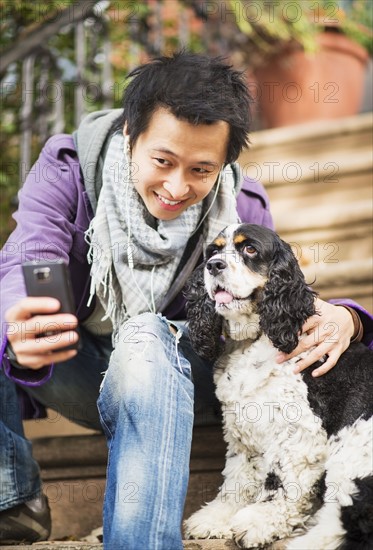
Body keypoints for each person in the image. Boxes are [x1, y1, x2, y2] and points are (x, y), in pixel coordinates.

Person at [0, 52, 372, 550]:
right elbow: (27, 256)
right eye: (162, 161)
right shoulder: (68, 168)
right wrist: (19, 322)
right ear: (130, 135)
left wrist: (352, 316)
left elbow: (273, 297)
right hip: (74, 366)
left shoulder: (243, 203)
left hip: (178, 373)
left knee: (146, 333)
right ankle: (14, 497)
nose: (177, 187)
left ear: (225, 163)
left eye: (201, 169)